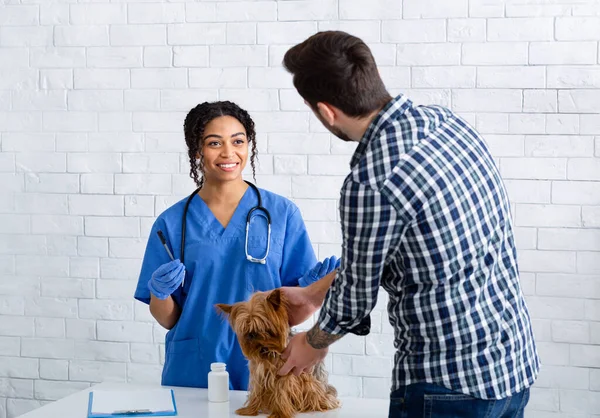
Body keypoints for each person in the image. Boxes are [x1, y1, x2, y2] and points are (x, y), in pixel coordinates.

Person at [277, 31, 539, 417]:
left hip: (448, 385)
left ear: (327, 111)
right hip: (512, 365)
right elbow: (423, 249)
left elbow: (355, 301)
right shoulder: (446, 124)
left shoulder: (371, 180)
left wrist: (313, 342)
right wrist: (316, 292)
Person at [133, 101, 339, 391]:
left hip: (266, 366)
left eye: (238, 141)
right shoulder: (172, 223)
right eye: (214, 143)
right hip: (195, 366)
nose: (229, 152)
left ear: (248, 145)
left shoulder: (281, 214)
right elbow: (168, 319)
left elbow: (294, 313)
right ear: (196, 150)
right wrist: (160, 292)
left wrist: (312, 291)